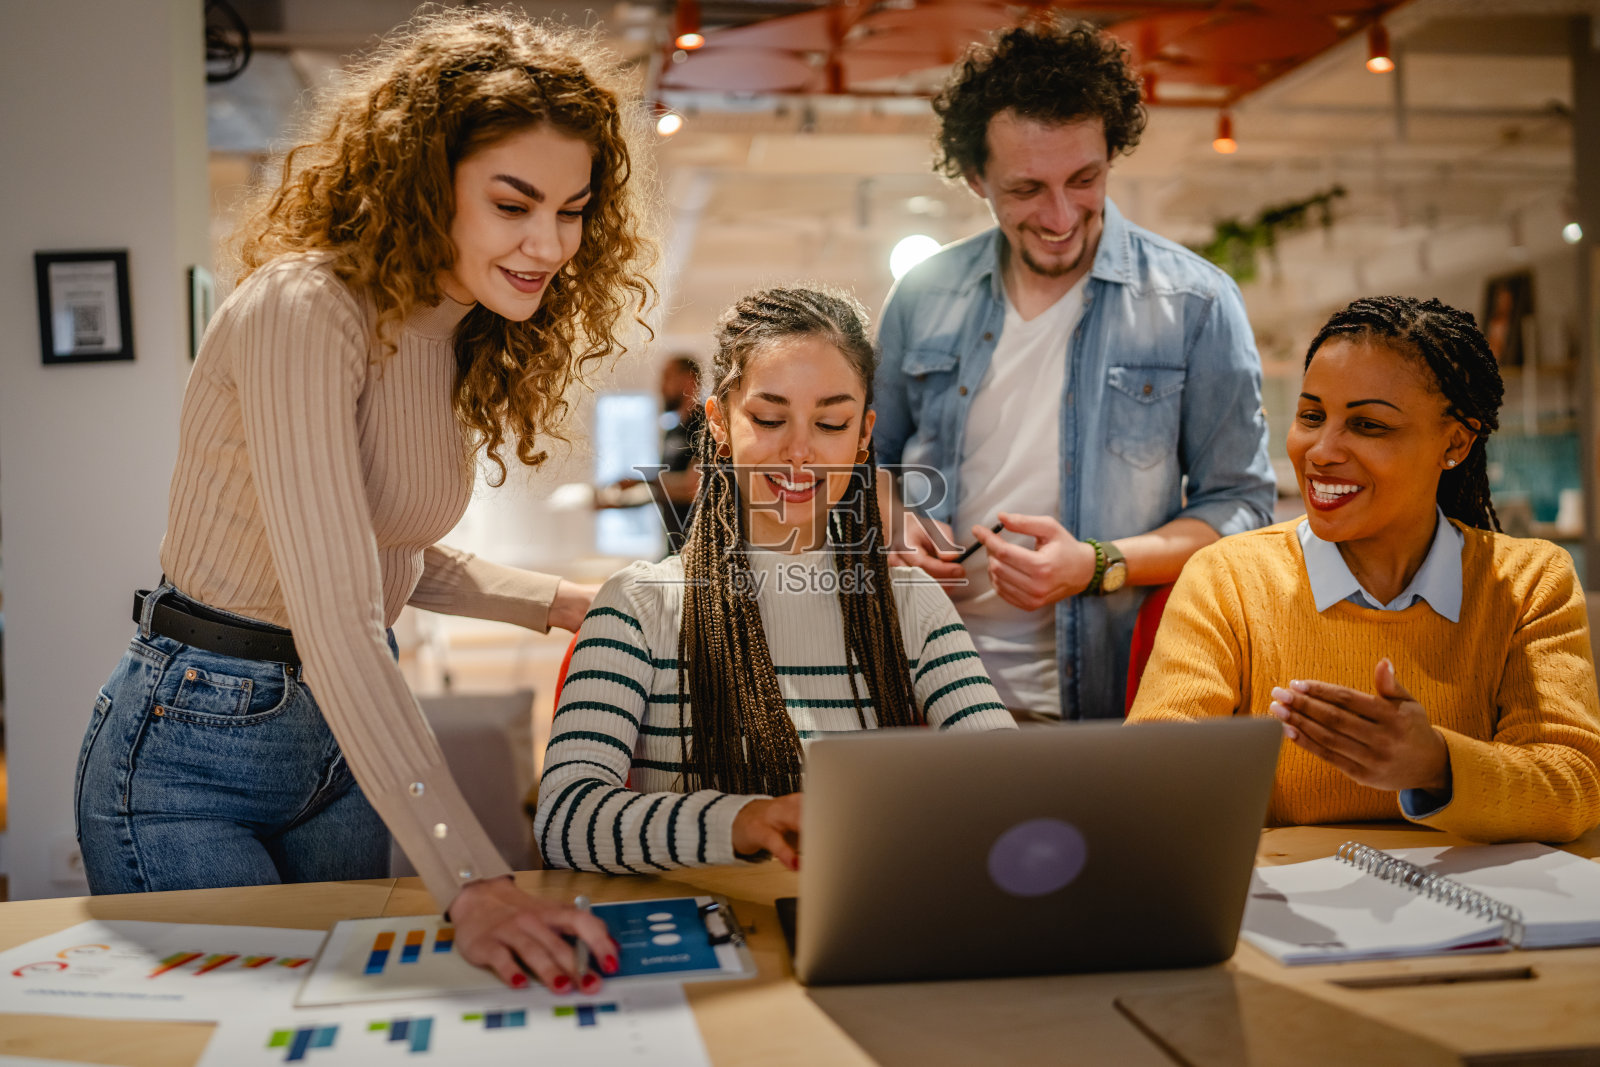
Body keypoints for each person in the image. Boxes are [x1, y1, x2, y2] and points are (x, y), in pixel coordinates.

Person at [74, 9, 655, 991]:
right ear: (429, 182)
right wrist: (474, 879)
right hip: (194, 749)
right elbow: (335, 611)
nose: (549, 243)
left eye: (572, 208)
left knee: (330, 1034)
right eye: (513, 203)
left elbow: (387, 551)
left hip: (340, 740)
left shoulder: (455, 328)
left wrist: (560, 602)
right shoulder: (309, 307)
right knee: (239, 1043)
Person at [873, 17, 1275, 722]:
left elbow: (1239, 508)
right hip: (925, 691)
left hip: (1110, 698)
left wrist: (1099, 562)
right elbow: (867, 461)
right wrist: (894, 522)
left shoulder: (1195, 302)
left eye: (1084, 179)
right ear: (975, 178)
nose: (1061, 216)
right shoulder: (922, 295)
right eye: (1027, 189)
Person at [535, 287, 1016, 873]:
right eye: (768, 418)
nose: (799, 452)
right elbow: (563, 819)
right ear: (717, 423)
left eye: (831, 423)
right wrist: (739, 822)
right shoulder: (639, 606)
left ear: (864, 434)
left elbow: (1005, 780)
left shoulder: (910, 604)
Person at [1128, 296, 1600, 843]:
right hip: (1291, 920)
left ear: (1456, 442)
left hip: (1478, 918)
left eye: (1368, 425)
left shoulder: (1530, 582)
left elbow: (1575, 784)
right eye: (1311, 416)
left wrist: (1436, 765)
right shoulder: (1228, 578)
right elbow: (1152, 781)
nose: (1321, 451)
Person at [596, 354, 704, 551]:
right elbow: (666, 490)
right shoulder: (674, 430)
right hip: (674, 546)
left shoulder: (705, 424)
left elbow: (693, 487)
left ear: (689, 380)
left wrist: (640, 481)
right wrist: (620, 502)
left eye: (667, 377)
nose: (661, 386)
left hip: (700, 547)